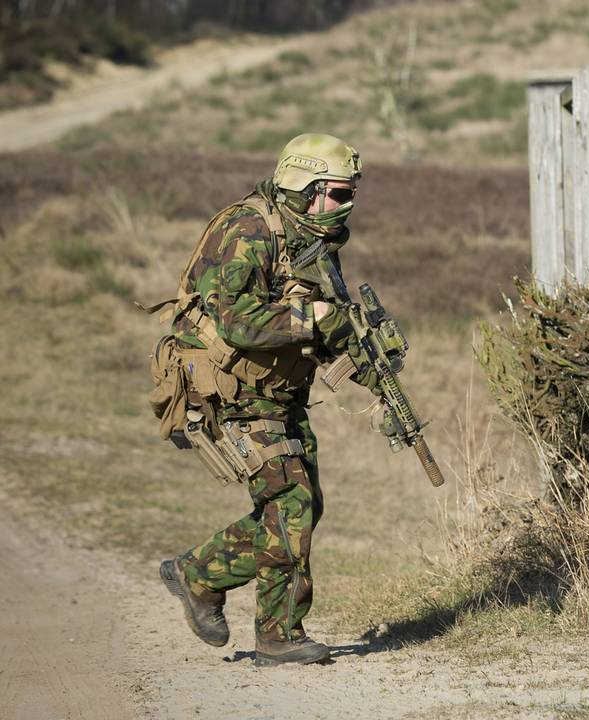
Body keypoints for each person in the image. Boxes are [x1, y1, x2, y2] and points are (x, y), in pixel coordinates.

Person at [157, 133, 362, 667]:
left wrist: (348, 340)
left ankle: (198, 576)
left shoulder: (309, 239)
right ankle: (278, 635)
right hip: (230, 391)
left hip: (277, 391)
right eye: (338, 193)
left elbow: (304, 315)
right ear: (306, 187)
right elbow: (237, 321)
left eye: (350, 192)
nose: (347, 204)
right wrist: (313, 319)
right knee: (290, 504)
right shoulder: (246, 230)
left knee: (301, 507)